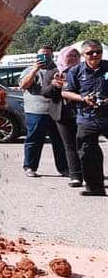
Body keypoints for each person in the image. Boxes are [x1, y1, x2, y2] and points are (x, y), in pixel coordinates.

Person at [62, 39, 108, 196]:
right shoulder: (75, 71)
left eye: (98, 51)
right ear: (83, 55)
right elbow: (65, 92)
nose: (95, 55)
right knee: (87, 152)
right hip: (87, 118)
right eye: (90, 52)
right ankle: (95, 188)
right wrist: (83, 98)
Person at [17, 45, 68, 178]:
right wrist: (35, 69)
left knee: (60, 141)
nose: (45, 57)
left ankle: (64, 168)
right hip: (36, 111)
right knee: (33, 140)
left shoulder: (58, 69)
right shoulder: (29, 70)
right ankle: (30, 167)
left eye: (48, 55)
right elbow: (23, 85)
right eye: (42, 55)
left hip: (56, 110)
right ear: (37, 56)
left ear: (52, 56)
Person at [47, 46, 84, 187]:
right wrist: (55, 85)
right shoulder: (54, 72)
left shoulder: (83, 71)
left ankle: (89, 173)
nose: (73, 58)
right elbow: (45, 92)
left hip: (82, 113)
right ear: (63, 56)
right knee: (70, 146)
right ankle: (75, 176)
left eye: (76, 55)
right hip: (62, 114)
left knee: (85, 144)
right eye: (70, 55)